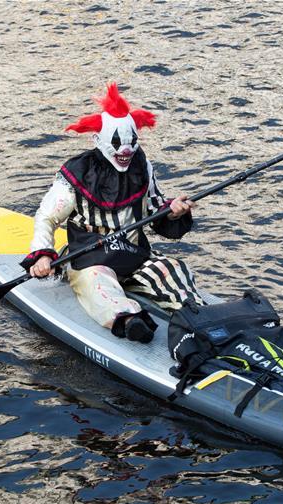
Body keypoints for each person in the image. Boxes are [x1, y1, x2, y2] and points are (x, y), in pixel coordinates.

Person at [21, 82, 204, 344]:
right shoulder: (78, 172)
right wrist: (42, 255)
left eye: (131, 142)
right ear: (98, 139)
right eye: (117, 143)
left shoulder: (142, 165)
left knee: (172, 267)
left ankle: (196, 313)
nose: (125, 150)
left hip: (133, 253)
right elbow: (47, 217)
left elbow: (153, 208)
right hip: (90, 256)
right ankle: (130, 320)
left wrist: (173, 212)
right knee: (97, 283)